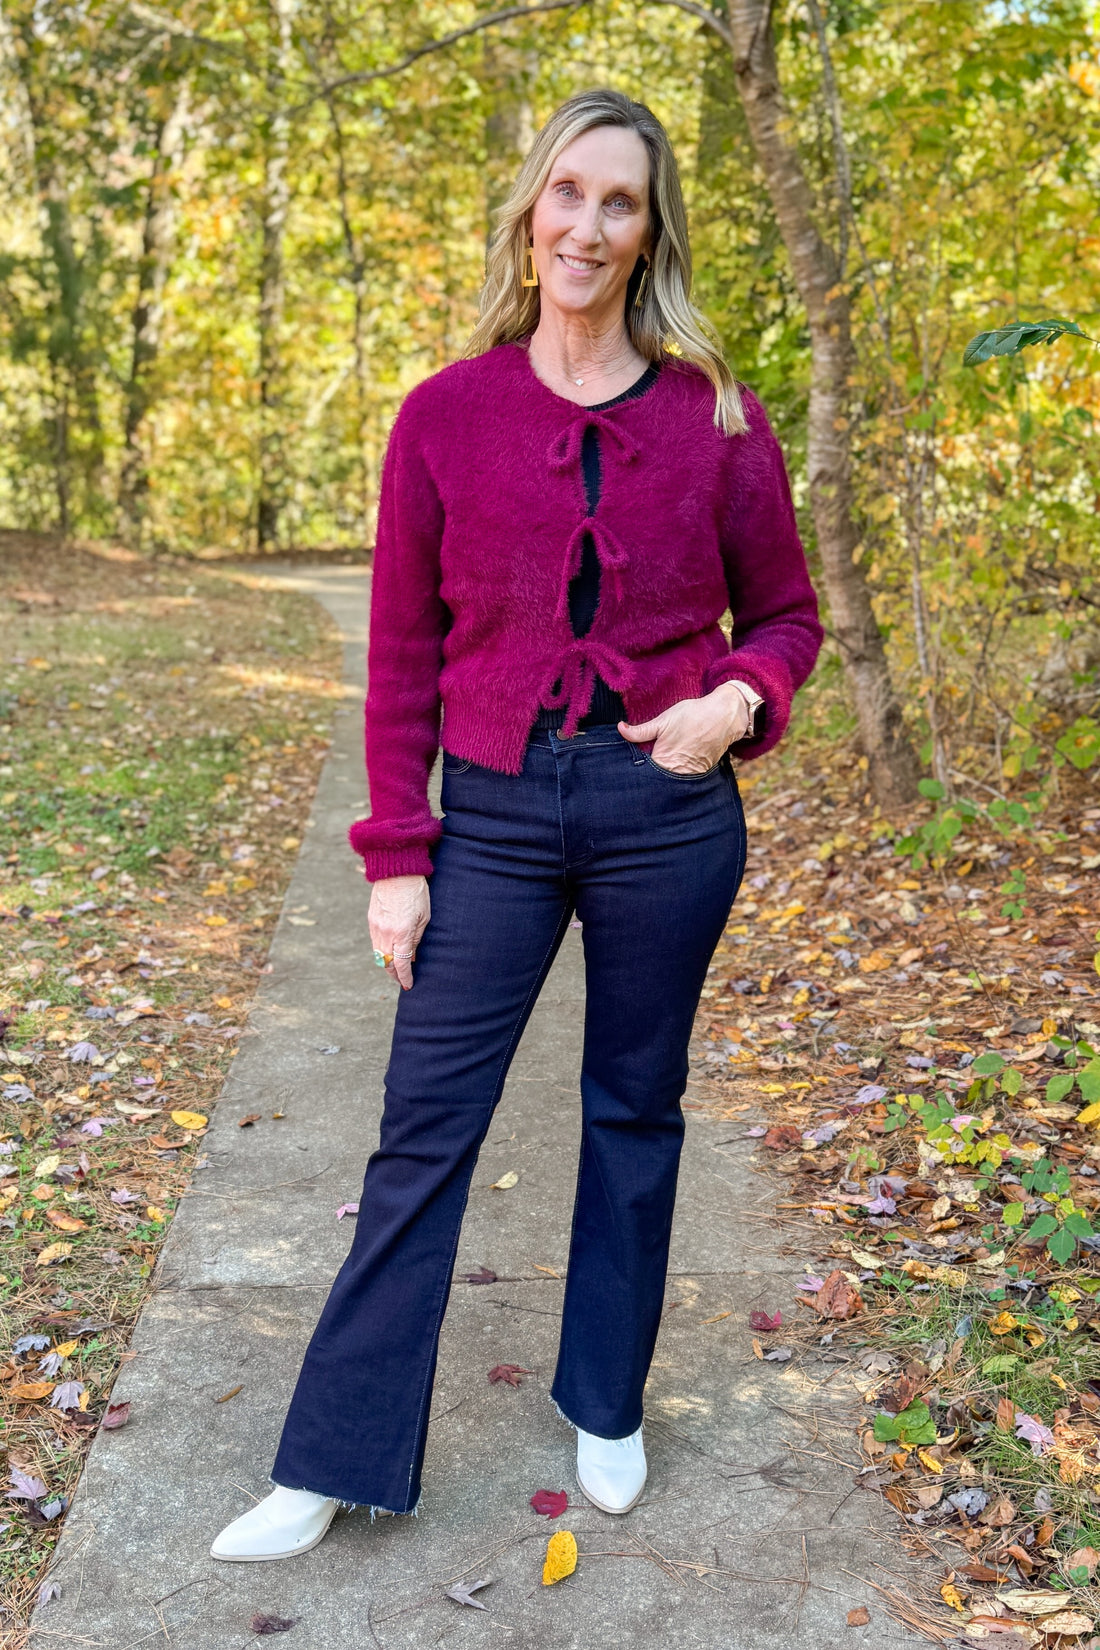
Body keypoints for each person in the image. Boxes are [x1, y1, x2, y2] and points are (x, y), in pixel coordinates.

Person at [211, 86, 822, 1563]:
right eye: (568, 193)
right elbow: (403, 659)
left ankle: (604, 1401)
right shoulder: (443, 417)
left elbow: (788, 617)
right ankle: (332, 1452)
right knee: (422, 1128)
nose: (588, 227)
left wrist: (736, 703)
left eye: (620, 202)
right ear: (529, 208)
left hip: (665, 810)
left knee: (634, 1106)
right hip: (486, 813)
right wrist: (393, 858)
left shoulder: (717, 420)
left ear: (649, 230)